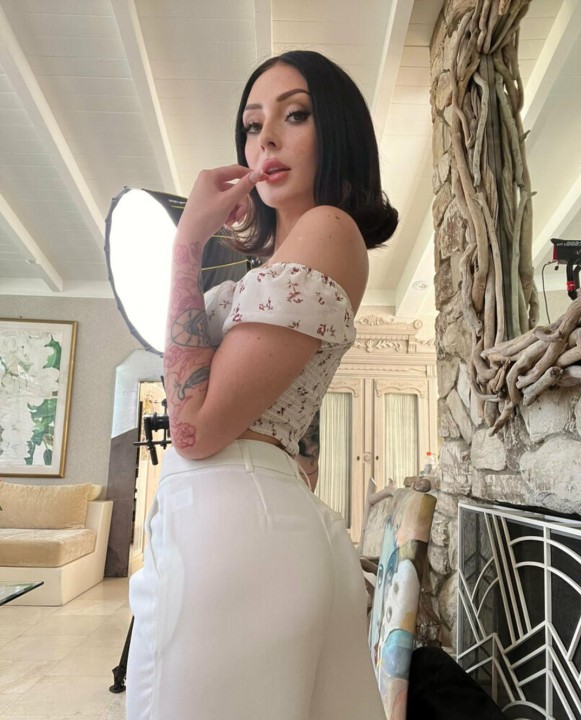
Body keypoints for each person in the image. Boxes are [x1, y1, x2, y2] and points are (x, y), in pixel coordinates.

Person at [126, 50, 398, 720]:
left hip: (230, 528)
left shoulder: (327, 228)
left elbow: (193, 428)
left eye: (294, 115)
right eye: (252, 125)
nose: (266, 138)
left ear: (337, 131)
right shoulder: (278, 261)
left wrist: (186, 245)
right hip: (246, 517)